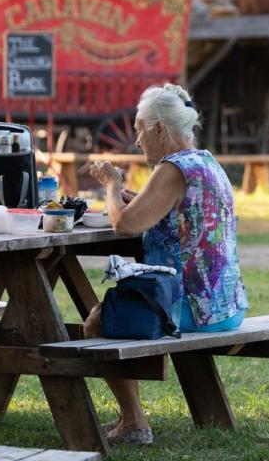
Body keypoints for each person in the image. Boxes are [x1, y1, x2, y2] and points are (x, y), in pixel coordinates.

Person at [83, 83, 248, 446]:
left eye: (140, 129)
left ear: (159, 128)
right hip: (226, 306)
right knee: (112, 310)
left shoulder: (171, 168)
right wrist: (132, 199)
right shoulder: (206, 162)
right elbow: (172, 212)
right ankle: (133, 418)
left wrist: (112, 185)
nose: (137, 140)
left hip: (188, 307)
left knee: (98, 321)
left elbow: (123, 223)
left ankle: (134, 421)